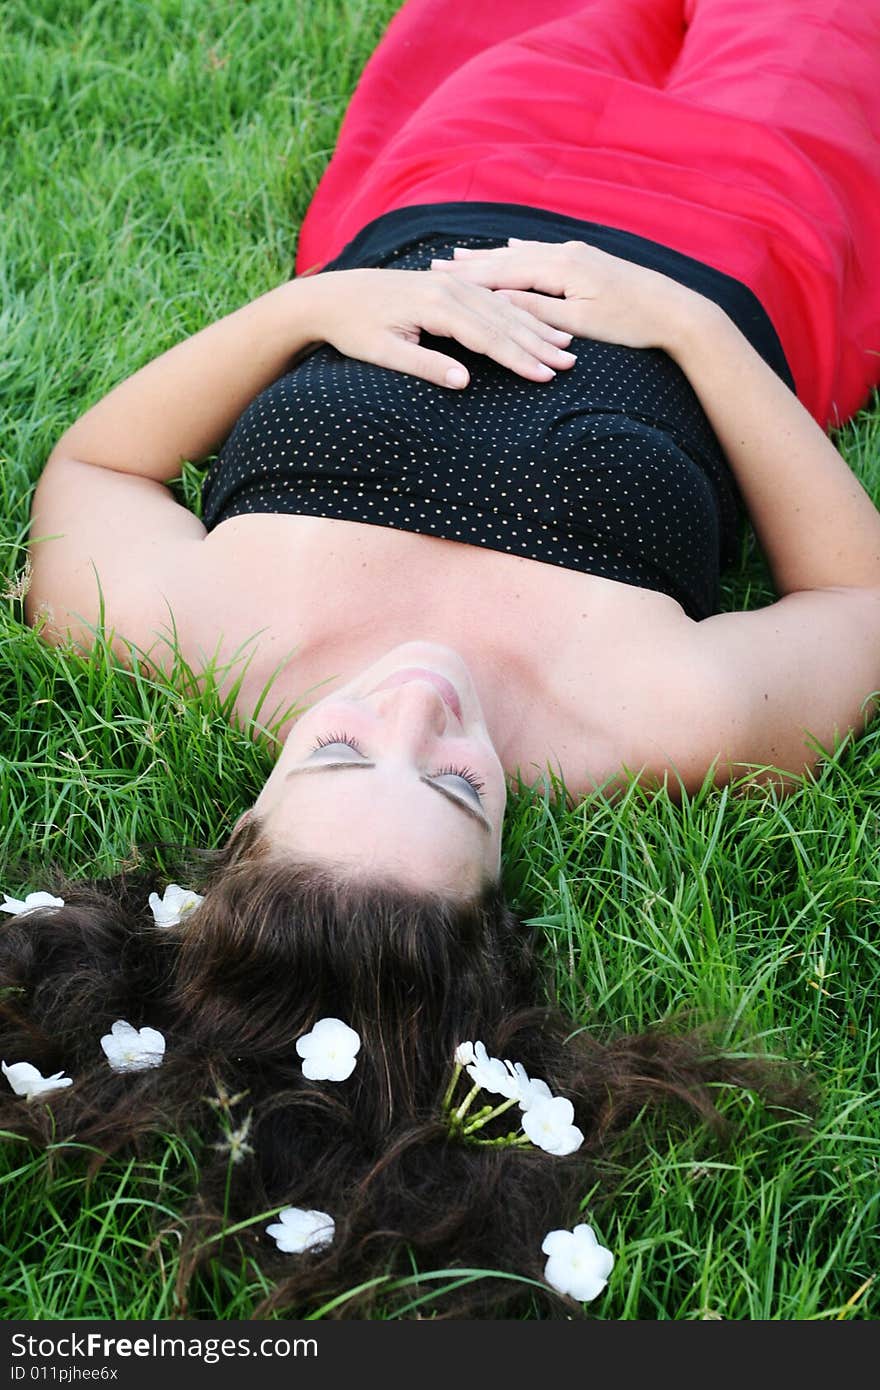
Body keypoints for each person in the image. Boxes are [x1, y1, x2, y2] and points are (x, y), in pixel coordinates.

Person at [2, 0, 876, 1316]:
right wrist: (691, 325)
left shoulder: (197, 627)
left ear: (253, 808)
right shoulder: (653, 720)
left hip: (455, 171)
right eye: (458, 784)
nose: (420, 704)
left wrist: (317, 306)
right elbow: (861, 591)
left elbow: (94, 467)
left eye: (346, 752)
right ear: (499, 879)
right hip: (747, 218)